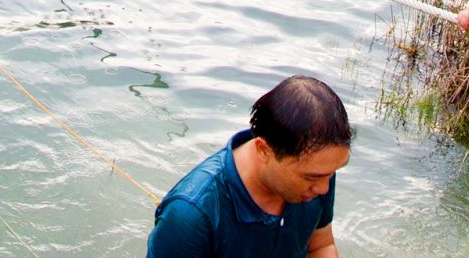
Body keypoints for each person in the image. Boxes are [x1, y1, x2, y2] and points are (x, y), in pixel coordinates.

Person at [147, 75, 351, 258]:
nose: (324, 188)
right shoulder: (190, 216)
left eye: (332, 173)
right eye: (311, 178)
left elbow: (320, 247)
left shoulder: (320, 170)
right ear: (263, 149)